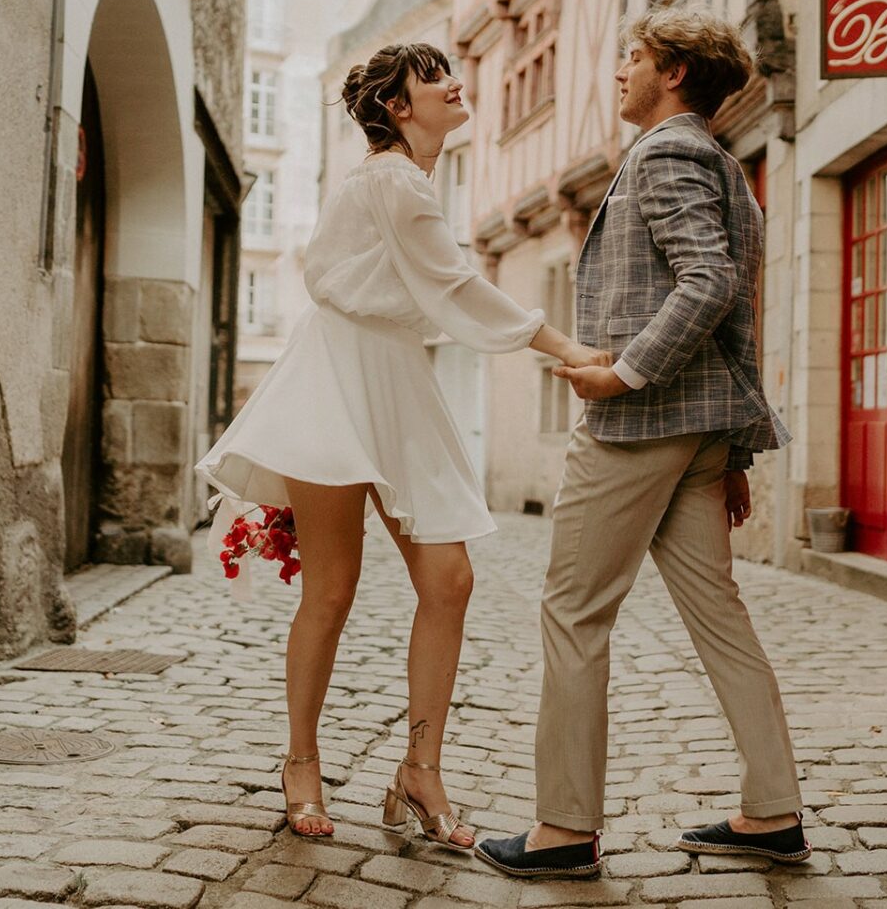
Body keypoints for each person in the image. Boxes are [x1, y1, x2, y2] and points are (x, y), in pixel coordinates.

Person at [196, 42, 611, 850]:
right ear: (396, 107)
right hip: (338, 376)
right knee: (332, 589)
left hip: (397, 378)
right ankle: (302, 762)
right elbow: (455, 285)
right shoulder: (389, 178)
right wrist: (566, 347)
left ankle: (420, 771)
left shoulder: (408, 183)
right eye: (435, 79)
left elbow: (438, 287)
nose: (458, 85)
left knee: (449, 579)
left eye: (453, 73)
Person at [475, 7, 808, 879]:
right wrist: (731, 448)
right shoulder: (727, 169)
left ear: (673, 73)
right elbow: (735, 308)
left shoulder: (665, 154)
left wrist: (621, 376)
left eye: (633, 55)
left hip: (640, 427)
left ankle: (563, 832)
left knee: (574, 613)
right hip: (698, 433)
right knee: (721, 619)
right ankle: (772, 811)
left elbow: (707, 285)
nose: (618, 68)